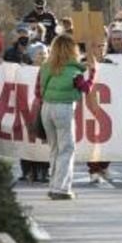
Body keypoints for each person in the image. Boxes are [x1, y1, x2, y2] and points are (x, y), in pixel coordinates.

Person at [37, 34, 97, 200]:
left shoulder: (46, 66)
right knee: (67, 149)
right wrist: (93, 74)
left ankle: (53, 184)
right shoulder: (74, 71)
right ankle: (61, 188)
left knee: (55, 148)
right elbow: (86, 88)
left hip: (46, 107)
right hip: (63, 107)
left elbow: (39, 88)